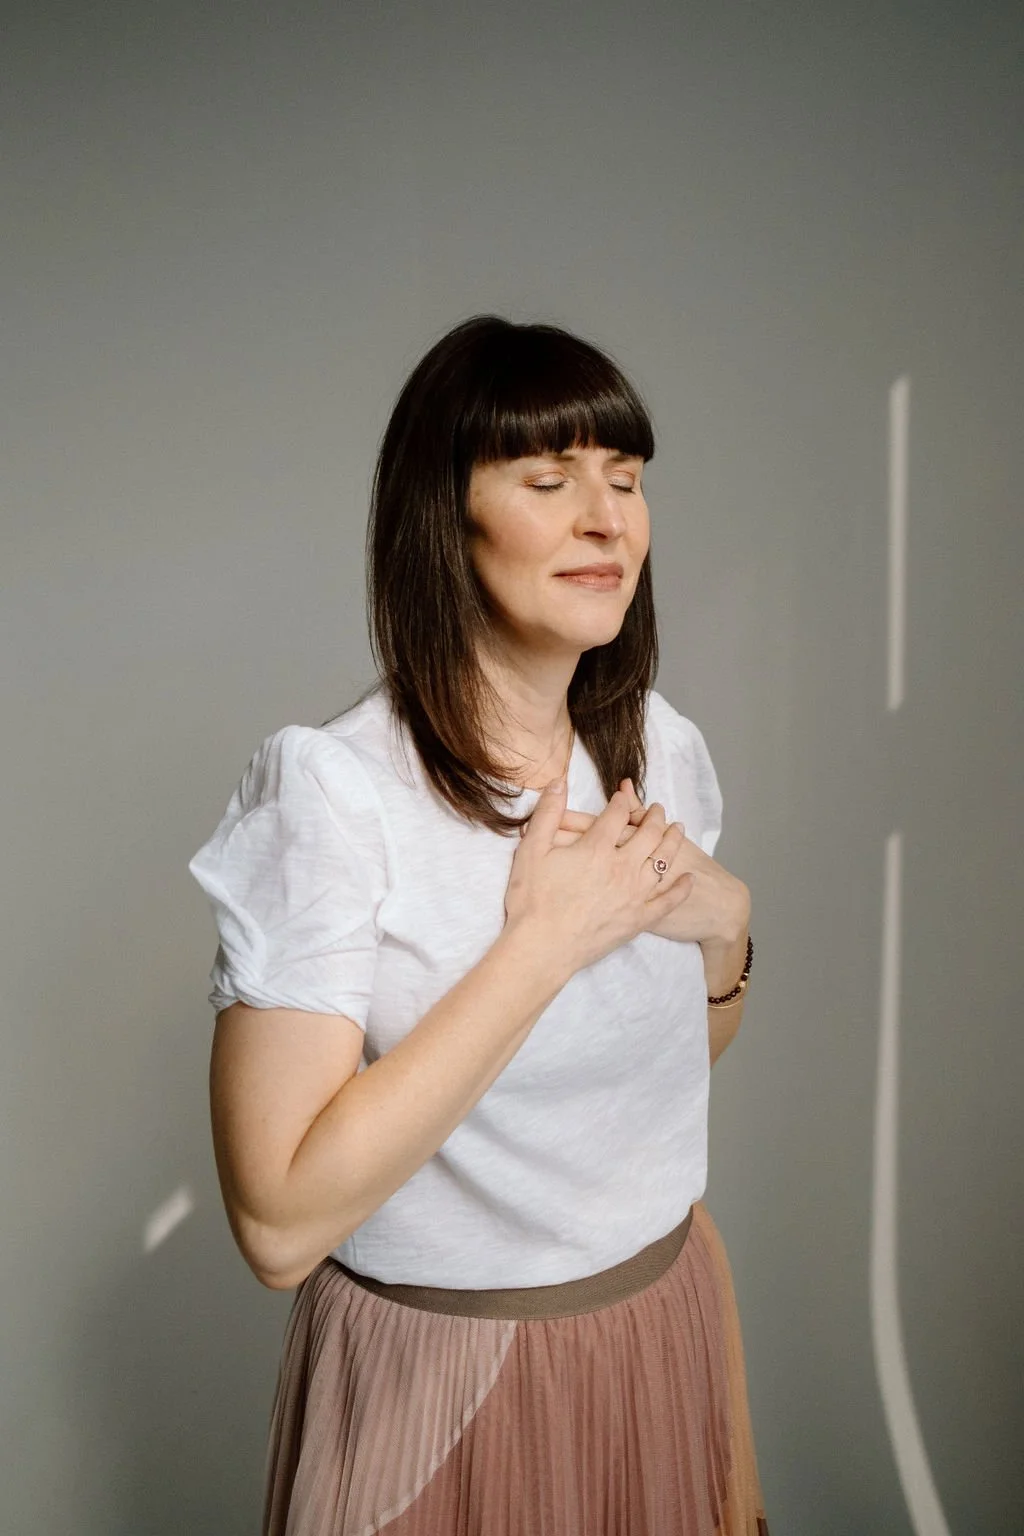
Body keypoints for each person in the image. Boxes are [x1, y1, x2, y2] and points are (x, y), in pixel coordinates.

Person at [188, 314, 769, 1535]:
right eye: (549, 481)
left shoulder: (660, 746)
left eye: (624, 479)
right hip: (446, 1374)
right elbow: (279, 1224)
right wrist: (541, 945)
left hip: (666, 1315)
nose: (606, 518)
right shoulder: (335, 794)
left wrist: (728, 928)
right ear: (445, 523)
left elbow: (651, 1068)